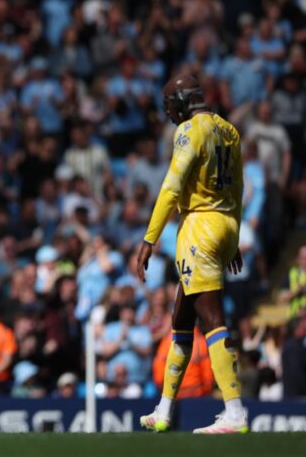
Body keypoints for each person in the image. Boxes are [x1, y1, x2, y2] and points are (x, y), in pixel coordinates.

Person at [136, 73, 247, 434]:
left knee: (211, 318)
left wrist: (149, 238)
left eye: (170, 106)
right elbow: (239, 186)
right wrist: (232, 235)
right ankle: (164, 409)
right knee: (181, 319)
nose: (169, 114)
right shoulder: (230, 131)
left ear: (182, 102)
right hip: (225, 222)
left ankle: (234, 411)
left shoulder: (188, 131)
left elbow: (171, 186)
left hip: (199, 226)